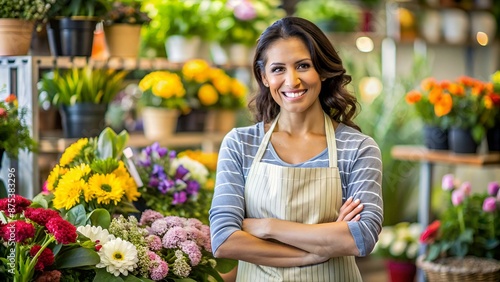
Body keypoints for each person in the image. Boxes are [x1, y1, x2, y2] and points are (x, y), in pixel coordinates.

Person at [209, 16, 383, 282]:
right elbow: (224, 240)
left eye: (303, 65)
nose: (292, 81)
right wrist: (315, 252)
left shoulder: (357, 148)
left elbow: (362, 237)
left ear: (322, 71)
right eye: (278, 69)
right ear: (264, 77)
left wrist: (266, 227)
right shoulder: (240, 145)